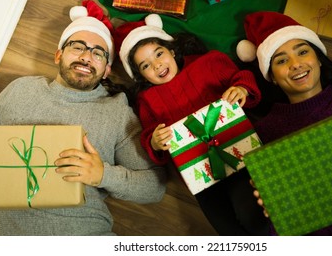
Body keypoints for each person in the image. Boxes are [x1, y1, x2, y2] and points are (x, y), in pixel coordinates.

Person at [0, 0, 166, 236]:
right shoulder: (20, 89)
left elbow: (154, 188)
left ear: (107, 70)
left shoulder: (116, 112)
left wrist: (103, 175)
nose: (86, 57)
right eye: (78, 46)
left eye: (98, 53)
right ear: (58, 55)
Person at [115, 14, 269, 236]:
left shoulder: (208, 63)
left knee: (254, 218)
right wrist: (155, 141)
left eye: (159, 54)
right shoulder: (147, 100)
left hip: (240, 156)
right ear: (142, 76)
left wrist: (242, 88)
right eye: (146, 65)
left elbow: (242, 77)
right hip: (199, 176)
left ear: (172, 51)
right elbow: (149, 135)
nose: (157, 65)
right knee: (227, 229)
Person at [236, 11, 332, 235]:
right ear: (272, 77)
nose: (296, 64)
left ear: (319, 60)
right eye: (282, 60)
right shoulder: (264, 132)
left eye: (303, 52)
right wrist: (273, 208)